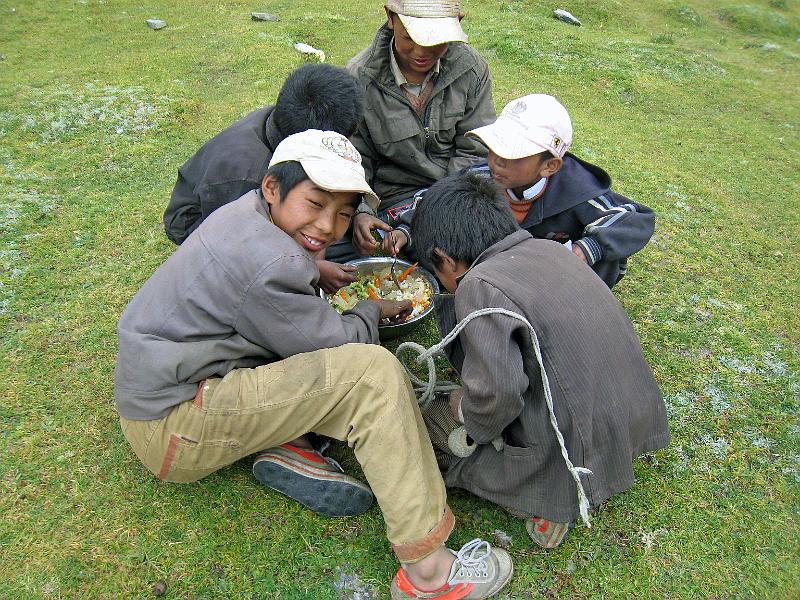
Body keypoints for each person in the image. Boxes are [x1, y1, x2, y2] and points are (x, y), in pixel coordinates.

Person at [116, 130, 512, 599]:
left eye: (343, 213)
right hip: (176, 426)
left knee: (335, 370)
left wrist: (313, 265)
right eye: (315, 203)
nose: (327, 226)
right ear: (272, 187)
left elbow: (260, 273)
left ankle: (292, 445)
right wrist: (370, 311)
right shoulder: (272, 264)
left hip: (173, 391)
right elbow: (335, 344)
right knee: (372, 375)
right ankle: (428, 573)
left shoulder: (245, 214)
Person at [410, 172, 670, 549]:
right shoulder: (554, 250)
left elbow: (498, 396)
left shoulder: (479, 286)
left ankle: (548, 499)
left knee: (431, 423)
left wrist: (463, 409)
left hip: (572, 457)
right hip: (632, 423)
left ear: (444, 259)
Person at [162, 63, 367, 293]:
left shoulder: (293, 118)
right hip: (199, 220)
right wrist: (313, 269)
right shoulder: (247, 178)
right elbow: (237, 247)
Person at [325, 0, 496, 262]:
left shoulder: (471, 70)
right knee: (329, 252)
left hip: (454, 194)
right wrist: (361, 212)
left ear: (457, 23)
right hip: (389, 201)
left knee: (472, 253)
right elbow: (354, 156)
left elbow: (474, 155)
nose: (421, 52)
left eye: (436, 40)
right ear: (390, 17)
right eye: (410, 38)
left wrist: (423, 219)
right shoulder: (360, 76)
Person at [464, 93, 656, 288]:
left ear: (550, 166)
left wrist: (586, 249)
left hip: (563, 275)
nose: (497, 160)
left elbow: (636, 218)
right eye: (495, 146)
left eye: (513, 153)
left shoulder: (577, 189)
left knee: (606, 247)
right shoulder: (478, 179)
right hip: (510, 267)